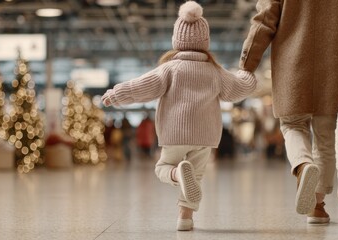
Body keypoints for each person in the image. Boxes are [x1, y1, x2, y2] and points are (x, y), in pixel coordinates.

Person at [102, 1, 257, 231]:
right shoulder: (215, 72)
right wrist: (249, 76)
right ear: (205, 42)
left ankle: (175, 173)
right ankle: (185, 218)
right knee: (195, 176)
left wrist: (116, 95)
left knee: (162, 167)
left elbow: (141, 87)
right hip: (205, 136)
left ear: (177, 39)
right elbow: (238, 88)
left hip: (175, 133)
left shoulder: (169, 69)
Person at [239, 0, 338, 224]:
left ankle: (303, 164)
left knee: (292, 126)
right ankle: (316, 206)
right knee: (327, 138)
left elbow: (265, 19)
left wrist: (246, 65)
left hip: (292, 66)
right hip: (336, 69)